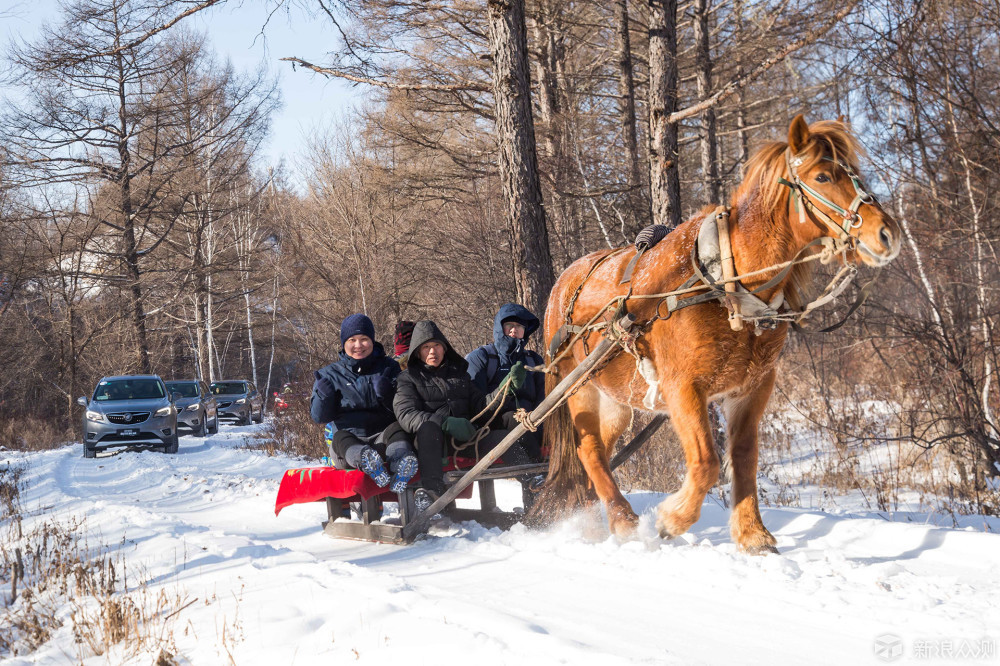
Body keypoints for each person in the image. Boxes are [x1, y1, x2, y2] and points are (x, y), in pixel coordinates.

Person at [393, 320, 536, 512]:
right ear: (418, 352)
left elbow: (481, 406)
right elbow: (406, 414)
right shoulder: (407, 378)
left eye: (436, 345)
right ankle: (431, 492)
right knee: (428, 428)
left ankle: (533, 481)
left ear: (444, 348)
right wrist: (444, 423)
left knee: (502, 438)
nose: (432, 352)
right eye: (426, 347)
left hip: (467, 440)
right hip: (433, 445)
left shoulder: (460, 375)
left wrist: (505, 388)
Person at [310, 314, 417, 493]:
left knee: (398, 428)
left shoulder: (389, 368)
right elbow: (319, 417)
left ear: (372, 341)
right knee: (340, 436)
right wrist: (323, 397)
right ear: (344, 343)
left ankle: (402, 463)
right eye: (352, 340)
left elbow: (403, 409)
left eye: (364, 339)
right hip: (348, 446)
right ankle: (367, 460)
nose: (358, 345)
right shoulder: (329, 374)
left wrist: (387, 394)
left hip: (383, 439)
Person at [465, 303, 545, 461]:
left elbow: (543, 395)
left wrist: (537, 418)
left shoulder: (533, 359)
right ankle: (537, 469)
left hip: (533, 421)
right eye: (509, 325)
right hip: (493, 425)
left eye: (519, 326)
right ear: (500, 327)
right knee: (512, 418)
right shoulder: (481, 358)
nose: (514, 330)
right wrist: (505, 390)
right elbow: (477, 408)